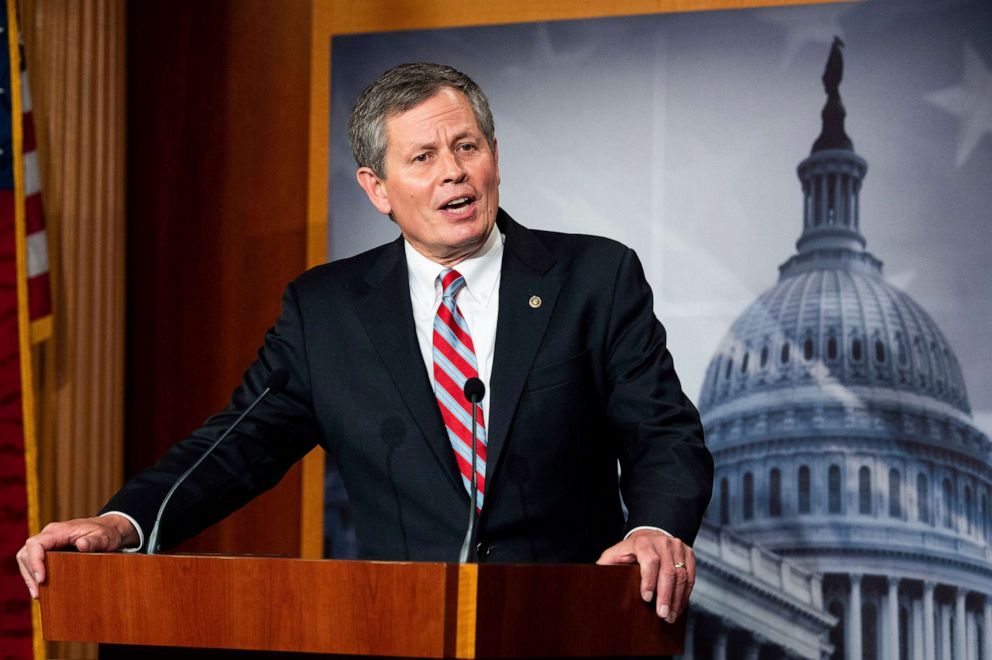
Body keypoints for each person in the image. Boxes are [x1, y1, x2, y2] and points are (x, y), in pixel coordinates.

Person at [16, 63, 713, 625]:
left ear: (495, 157)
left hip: (570, 626)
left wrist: (654, 529)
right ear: (377, 188)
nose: (454, 172)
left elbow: (664, 434)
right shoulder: (326, 312)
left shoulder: (593, 277)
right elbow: (235, 446)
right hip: (400, 631)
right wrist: (124, 521)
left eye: (467, 147)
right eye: (424, 156)